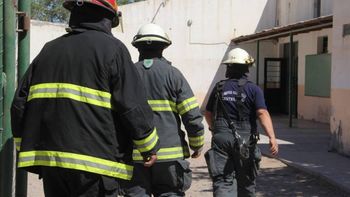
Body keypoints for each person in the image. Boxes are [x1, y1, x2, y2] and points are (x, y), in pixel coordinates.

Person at [10, 1, 160, 196]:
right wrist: (148, 147)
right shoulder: (113, 49)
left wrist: (26, 147)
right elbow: (132, 105)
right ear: (108, 17)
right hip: (96, 165)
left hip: (52, 164)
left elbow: (19, 105)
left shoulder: (48, 50)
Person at [122, 23, 205, 197]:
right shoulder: (173, 75)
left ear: (137, 46)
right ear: (164, 46)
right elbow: (191, 115)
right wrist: (196, 144)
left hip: (136, 156)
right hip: (170, 158)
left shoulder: (126, 74)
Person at [204, 48, 278, 197]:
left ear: (229, 68)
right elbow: (262, 113)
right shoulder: (254, 89)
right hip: (245, 141)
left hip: (221, 138)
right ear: (246, 68)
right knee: (246, 181)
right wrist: (272, 137)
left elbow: (208, 113)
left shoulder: (219, 87)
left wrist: (214, 128)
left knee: (224, 180)